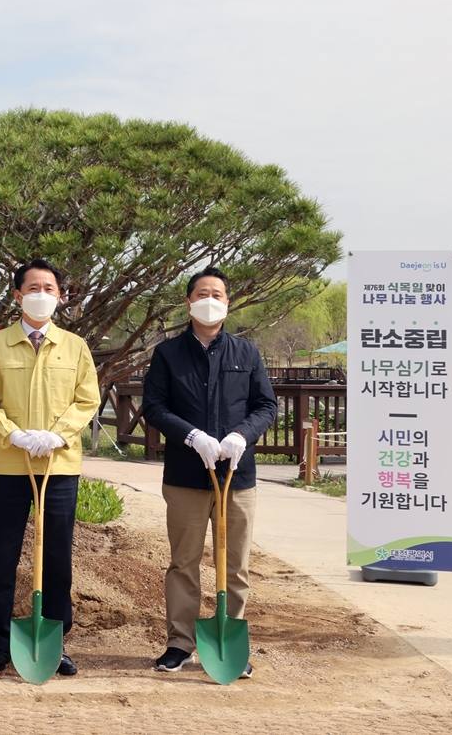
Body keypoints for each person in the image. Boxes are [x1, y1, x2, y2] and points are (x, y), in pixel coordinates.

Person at [141, 266, 277, 678]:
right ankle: (179, 644)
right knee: (183, 561)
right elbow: (154, 407)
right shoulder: (168, 354)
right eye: (202, 293)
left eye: (218, 294)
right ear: (188, 302)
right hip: (186, 474)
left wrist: (242, 435)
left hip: (237, 474)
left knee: (235, 564)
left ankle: (227, 639)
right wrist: (191, 435)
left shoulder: (246, 353)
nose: (210, 299)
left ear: (228, 303)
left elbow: (266, 407)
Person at [0, 258, 100, 677]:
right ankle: (0, 641)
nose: (42, 294)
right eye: (34, 288)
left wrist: (59, 434)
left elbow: (87, 399)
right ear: (17, 296)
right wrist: (14, 434)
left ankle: (55, 640)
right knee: (4, 555)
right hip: (9, 464)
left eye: (50, 288)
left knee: (58, 556)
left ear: (60, 296)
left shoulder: (75, 347)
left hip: (59, 466)